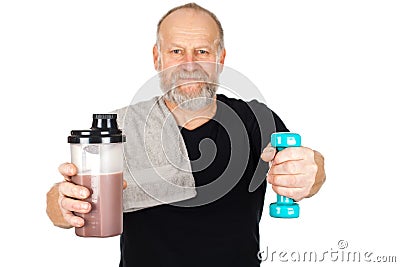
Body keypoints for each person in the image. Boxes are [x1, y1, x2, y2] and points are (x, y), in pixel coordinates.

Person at [46, 3, 326, 267]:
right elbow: (61, 203)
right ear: (157, 58)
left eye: (202, 51)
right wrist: (64, 203)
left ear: (221, 59)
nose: (189, 64)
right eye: (176, 51)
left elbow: (305, 166)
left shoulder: (255, 119)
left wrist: (309, 172)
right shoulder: (121, 127)